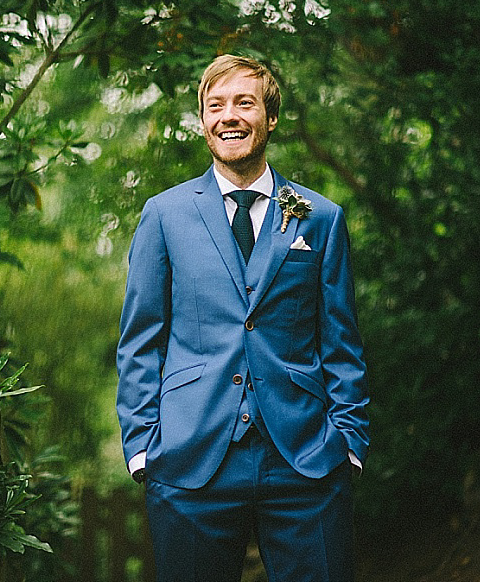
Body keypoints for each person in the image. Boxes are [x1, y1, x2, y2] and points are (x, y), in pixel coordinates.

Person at [115, 54, 369, 582]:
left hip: (305, 457)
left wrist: (348, 441)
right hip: (190, 459)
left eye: (244, 103)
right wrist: (142, 446)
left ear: (270, 118)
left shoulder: (319, 217)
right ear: (203, 122)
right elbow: (141, 338)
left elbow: (340, 339)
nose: (229, 115)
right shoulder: (164, 215)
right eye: (215, 106)